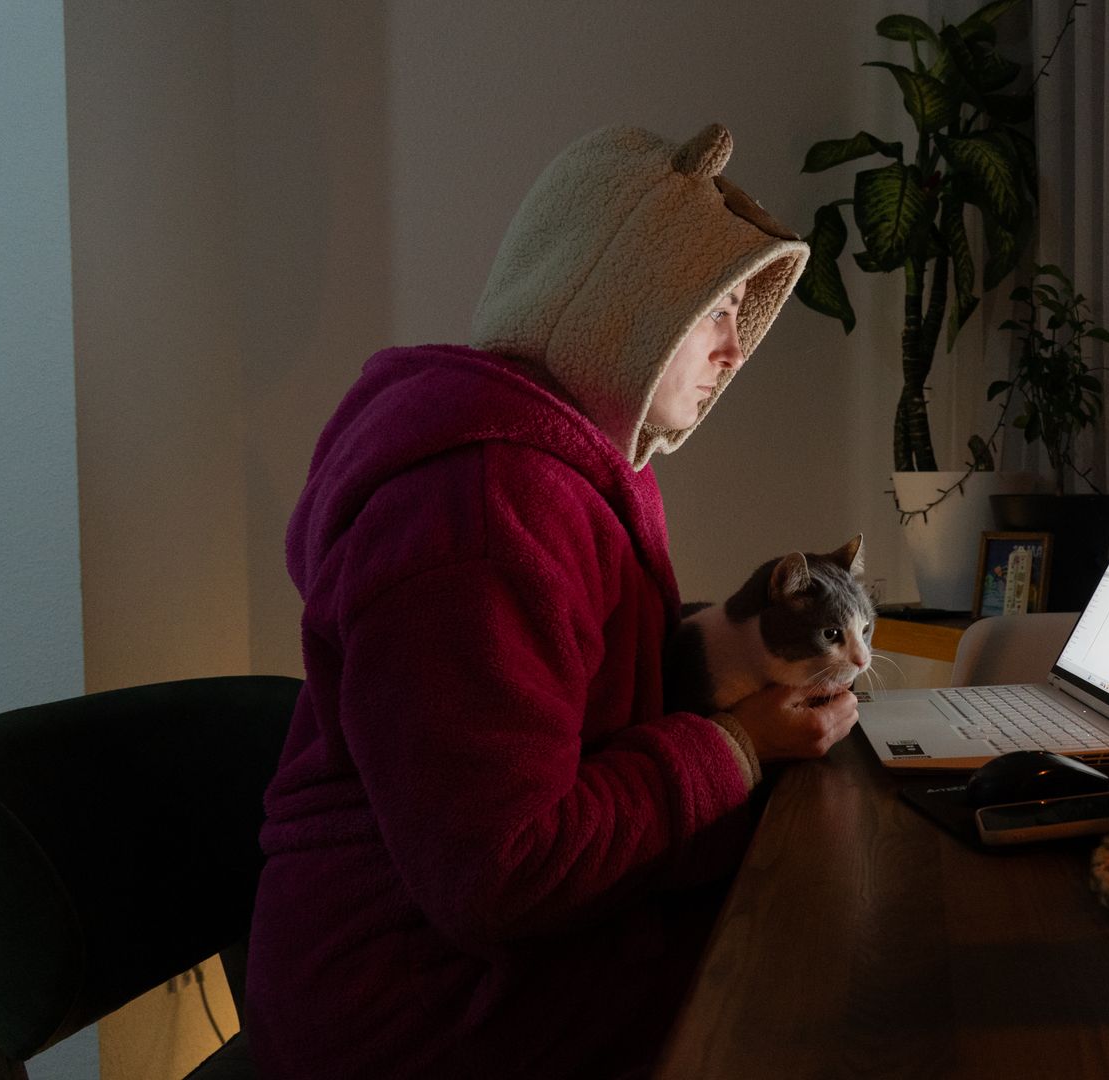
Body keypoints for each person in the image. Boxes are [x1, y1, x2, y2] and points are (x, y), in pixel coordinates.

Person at [244, 123, 859, 1079]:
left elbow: (582, 700)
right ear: (626, 299)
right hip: (409, 1009)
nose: (735, 351)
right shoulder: (481, 513)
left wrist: (740, 681)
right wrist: (736, 748)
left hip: (491, 960)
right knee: (834, 1000)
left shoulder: (574, 470)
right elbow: (503, 873)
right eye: (715, 310)